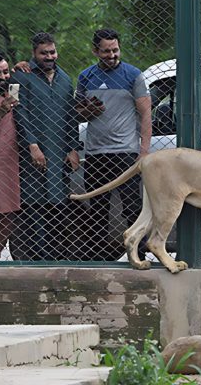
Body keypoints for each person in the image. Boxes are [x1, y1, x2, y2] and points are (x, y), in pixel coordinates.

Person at [75, 28, 152, 259]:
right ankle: (97, 257)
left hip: (125, 152)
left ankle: (139, 251)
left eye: (115, 50)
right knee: (97, 208)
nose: (112, 55)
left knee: (132, 205)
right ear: (95, 51)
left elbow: (146, 112)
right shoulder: (86, 76)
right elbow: (77, 113)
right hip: (96, 153)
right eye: (106, 51)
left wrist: (144, 151)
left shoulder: (133, 75)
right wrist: (88, 110)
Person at [9, 32, 80, 260]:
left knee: (58, 203)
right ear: (34, 53)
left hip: (59, 150)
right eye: (44, 53)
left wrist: (72, 148)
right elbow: (17, 113)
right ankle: (38, 255)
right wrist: (31, 144)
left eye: (52, 52)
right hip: (33, 151)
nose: (49, 57)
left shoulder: (66, 79)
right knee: (34, 203)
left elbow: (71, 116)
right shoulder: (18, 78)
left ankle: (56, 253)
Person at [0, 51, 20, 259]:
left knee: (8, 215)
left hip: (10, 163)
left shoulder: (11, 92)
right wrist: (0, 112)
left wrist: (22, 67)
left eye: (5, 72)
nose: (3, 77)